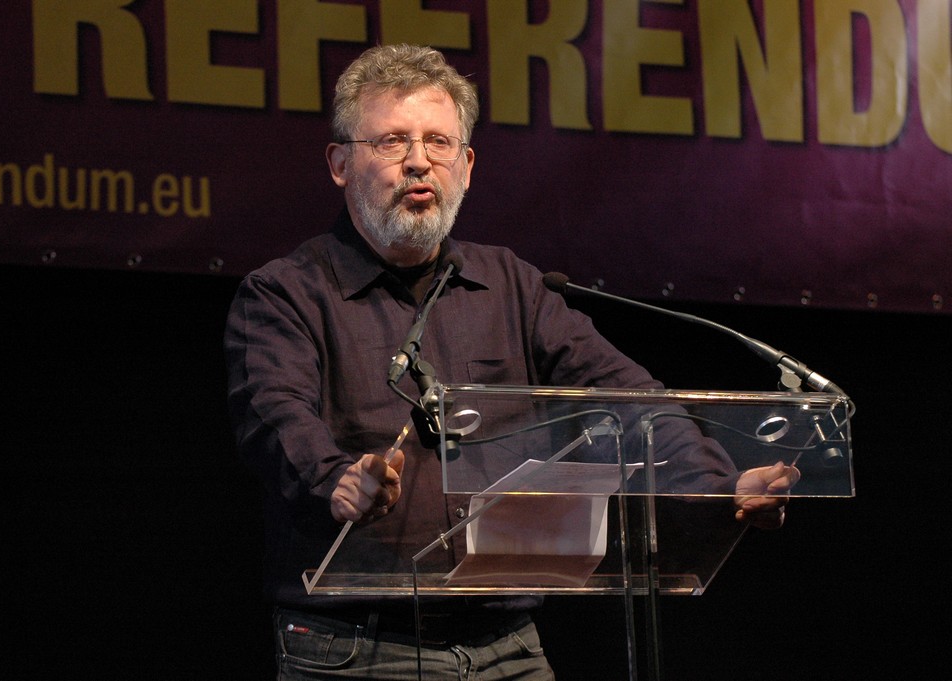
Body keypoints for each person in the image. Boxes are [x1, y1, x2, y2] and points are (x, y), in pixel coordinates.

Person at [224, 43, 797, 680]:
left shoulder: (513, 286)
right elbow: (273, 417)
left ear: (466, 166)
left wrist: (715, 489)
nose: (419, 162)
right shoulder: (284, 293)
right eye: (391, 142)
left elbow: (629, 398)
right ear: (340, 163)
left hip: (508, 648)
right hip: (356, 650)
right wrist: (337, 479)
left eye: (439, 143)